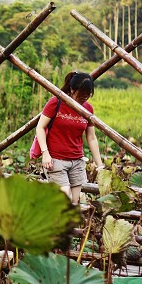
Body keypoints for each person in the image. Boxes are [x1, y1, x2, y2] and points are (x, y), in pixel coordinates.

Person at [35, 71, 104, 205]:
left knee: (74, 202)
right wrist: (45, 153)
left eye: (88, 95)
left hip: (77, 161)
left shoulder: (88, 109)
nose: (84, 98)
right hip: (56, 160)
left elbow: (92, 138)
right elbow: (40, 128)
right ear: (72, 89)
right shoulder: (56, 103)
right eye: (81, 95)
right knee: (64, 199)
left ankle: (65, 226)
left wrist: (99, 164)